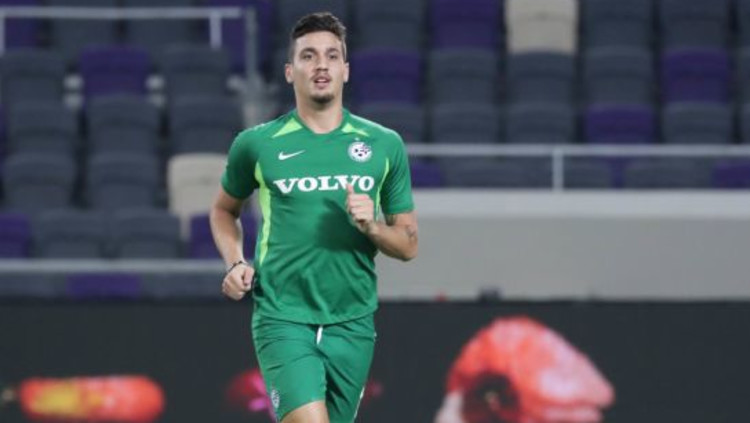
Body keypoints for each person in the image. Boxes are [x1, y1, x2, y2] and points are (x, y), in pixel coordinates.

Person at [210, 11, 418, 423]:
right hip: (283, 317)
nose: (321, 65)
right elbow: (223, 210)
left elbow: (408, 245)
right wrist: (234, 261)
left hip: (353, 321)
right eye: (308, 56)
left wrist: (372, 227)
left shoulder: (384, 145)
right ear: (290, 71)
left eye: (331, 56)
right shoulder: (257, 144)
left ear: (346, 70)